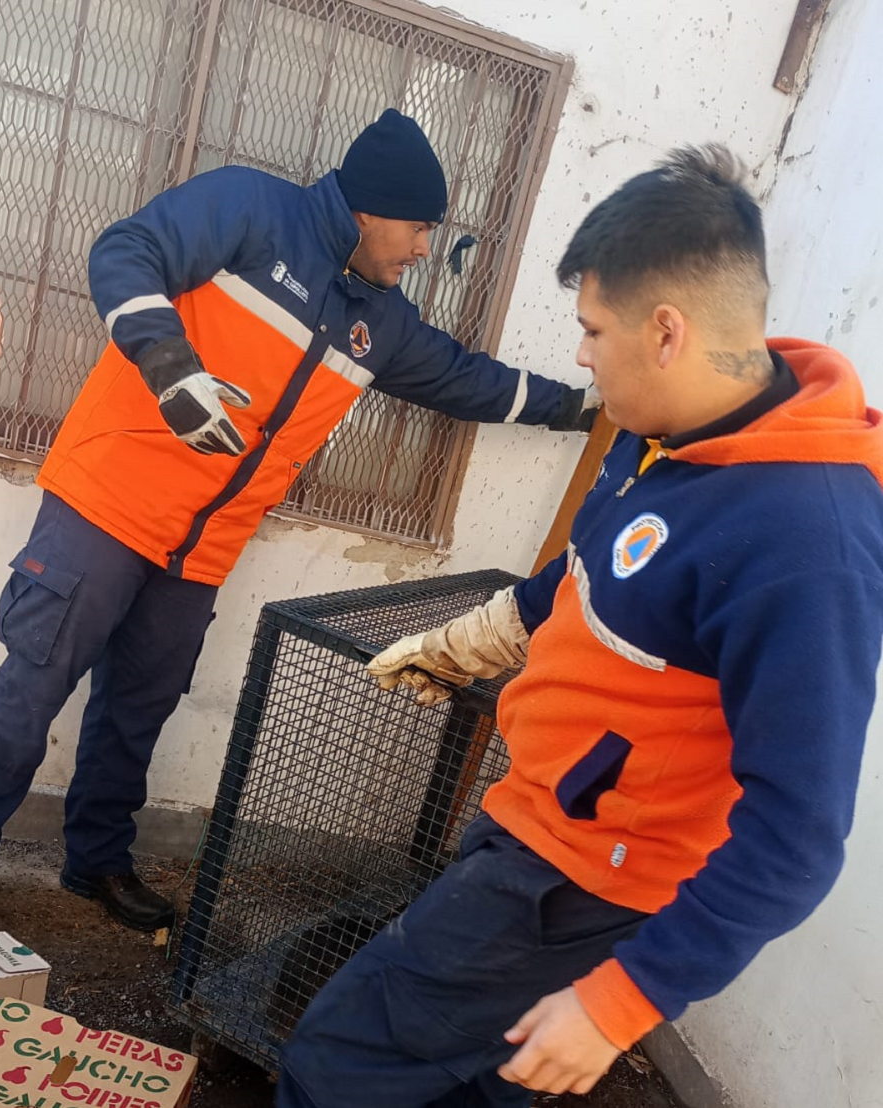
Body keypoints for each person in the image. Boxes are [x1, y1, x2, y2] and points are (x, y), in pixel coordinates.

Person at [271, 144, 883, 1106]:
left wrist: (620, 1003)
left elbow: (798, 831)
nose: (583, 354)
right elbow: (591, 571)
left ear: (668, 331)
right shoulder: (669, 433)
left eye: (594, 330)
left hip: (582, 881)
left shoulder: (806, 542)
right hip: (539, 820)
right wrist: (474, 634)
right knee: (487, 1084)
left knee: (339, 1063)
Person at [0, 108, 599, 933]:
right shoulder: (249, 210)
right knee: (30, 692)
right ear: (370, 209)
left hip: (202, 548)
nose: (424, 249)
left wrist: (590, 408)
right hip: (108, 504)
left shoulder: (377, 318)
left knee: (140, 708)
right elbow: (125, 252)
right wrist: (171, 366)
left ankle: (96, 862)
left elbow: (465, 380)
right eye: (419, 228)